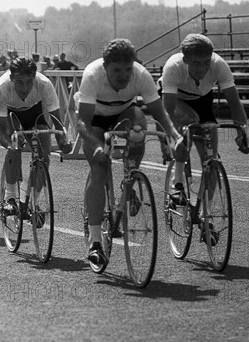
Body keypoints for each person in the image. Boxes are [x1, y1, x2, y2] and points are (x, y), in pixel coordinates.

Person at [76, 38, 183, 267]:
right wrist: (96, 146)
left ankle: (130, 179)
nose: (124, 76)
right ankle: (95, 241)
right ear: (106, 67)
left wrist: (174, 137)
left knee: (139, 126)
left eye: (128, 69)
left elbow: (160, 114)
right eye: (117, 70)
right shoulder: (93, 75)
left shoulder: (141, 75)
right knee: (100, 168)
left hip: (125, 111)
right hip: (95, 119)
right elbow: (82, 122)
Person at [159, 33, 249, 204]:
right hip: (176, 99)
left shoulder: (219, 65)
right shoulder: (173, 67)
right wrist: (169, 140)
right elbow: (167, 110)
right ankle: (177, 184)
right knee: (190, 120)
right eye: (196, 63)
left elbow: (235, 104)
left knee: (211, 159)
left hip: (202, 100)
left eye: (206, 62)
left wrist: (242, 134)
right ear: (185, 59)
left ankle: (205, 214)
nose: (202, 69)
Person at [0, 56, 72, 217]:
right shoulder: (1, 87)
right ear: (11, 78)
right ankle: (10, 198)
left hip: (33, 112)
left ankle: (32, 203)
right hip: (9, 114)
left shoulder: (44, 84)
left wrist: (63, 139)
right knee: (14, 147)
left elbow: (57, 120)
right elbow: (1, 129)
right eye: (19, 82)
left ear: (34, 78)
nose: (24, 87)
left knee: (44, 156)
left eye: (29, 82)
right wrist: (10, 146)